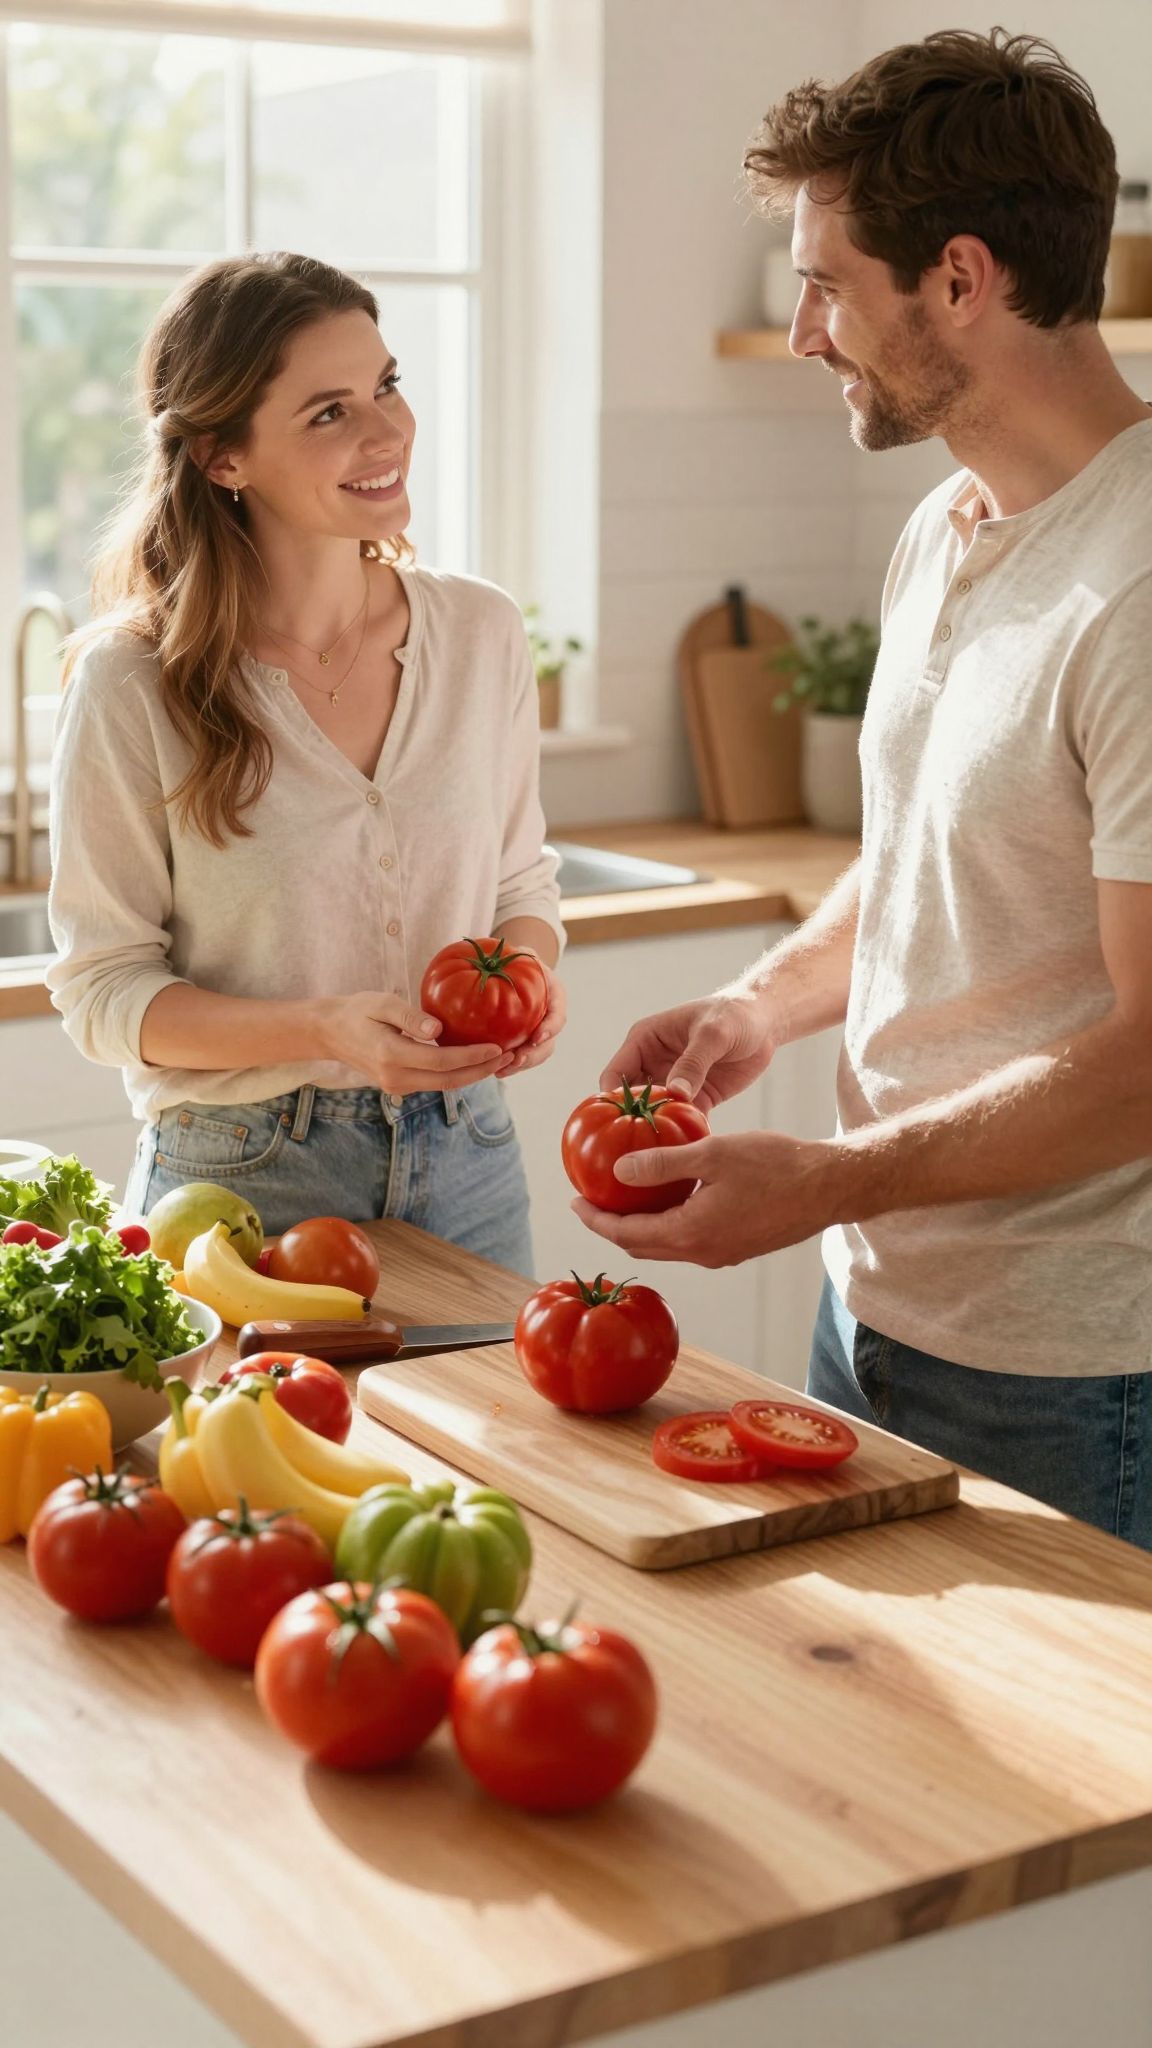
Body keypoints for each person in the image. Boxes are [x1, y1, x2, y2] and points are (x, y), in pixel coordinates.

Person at [575, 30, 1152, 1547]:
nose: (805, 331)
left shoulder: (1140, 588)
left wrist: (824, 1180)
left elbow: (1148, 1060)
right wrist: (757, 1008)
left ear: (960, 279)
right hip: (878, 1319)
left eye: (828, 282)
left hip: (1075, 1373)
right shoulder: (950, 525)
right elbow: (922, 860)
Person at [47, 250, 565, 1276]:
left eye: (386, 386)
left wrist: (531, 976)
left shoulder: (481, 632)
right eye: (328, 412)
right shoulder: (132, 680)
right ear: (222, 457)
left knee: (490, 1445)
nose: (387, 432)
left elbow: (521, 882)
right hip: (244, 1178)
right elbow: (104, 995)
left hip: (469, 1155)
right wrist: (320, 1027)